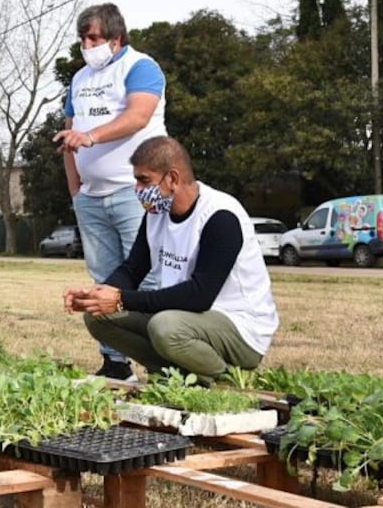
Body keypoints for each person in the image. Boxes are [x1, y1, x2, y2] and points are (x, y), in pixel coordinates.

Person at [63, 136, 280, 381]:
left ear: (173, 179)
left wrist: (121, 300)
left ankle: (224, 379)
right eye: (136, 180)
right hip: (185, 319)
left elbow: (200, 295)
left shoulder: (220, 217)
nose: (138, 189)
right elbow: (133, 269)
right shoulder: (157, 213)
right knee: (97, 317)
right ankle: (174, 374)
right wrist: (97, 295)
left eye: (144, 180)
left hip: (240, 329)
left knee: (164, 327)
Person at [53, 2, 167, 381]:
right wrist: (76, 189)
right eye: (82, 38)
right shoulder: (80, 79)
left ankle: (161, 363)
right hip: (92, 197)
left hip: (134, 193)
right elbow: (70, 132)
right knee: (102, 281)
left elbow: (138, 116)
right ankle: (115, 364)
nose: (87, 45)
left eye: (94, 38)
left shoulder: (141, 67)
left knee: (148, 278)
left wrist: (91, 136)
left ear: (116, 39)